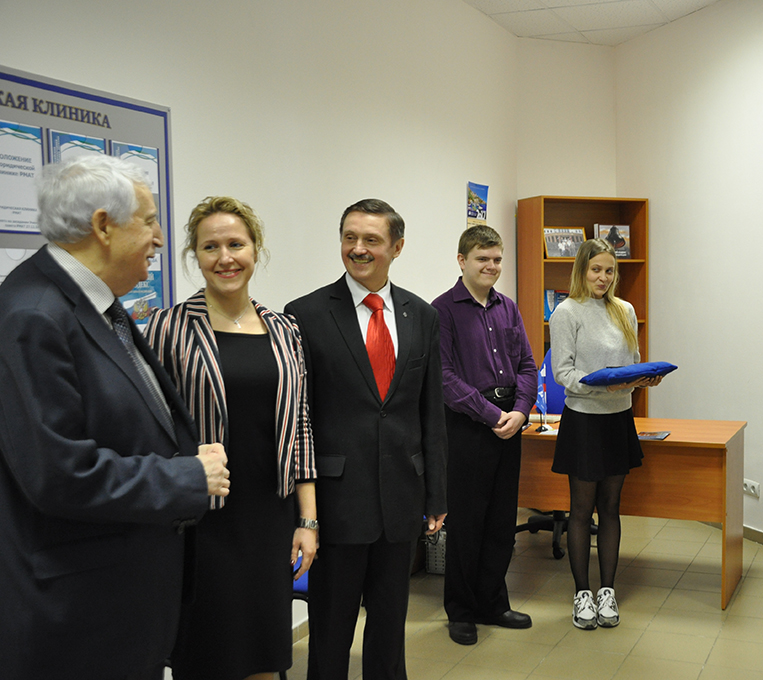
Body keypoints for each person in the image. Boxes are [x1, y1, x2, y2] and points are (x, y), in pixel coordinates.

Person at [0, 155, 229, 680]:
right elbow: (58, 474)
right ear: (103, 227)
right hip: (77, 615)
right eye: (149, 221)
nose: (159, 239)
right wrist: (186, 476)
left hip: (120, 598)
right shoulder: (34, 315)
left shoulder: (94, 301)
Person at [144, 196, 317, 680]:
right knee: (206, 657)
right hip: (202, 522)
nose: (225, 258)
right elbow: (150, 424)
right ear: (194, 256)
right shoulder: (168, 328)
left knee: (265, 656)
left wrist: (308, 519)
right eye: (210, 247)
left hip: (270, 518)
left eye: (236, 244)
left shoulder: (285, 330)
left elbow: (301, 424)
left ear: (255, 249)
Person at [285, 199, 447, 680]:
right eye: (349, 238)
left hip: (401, 499)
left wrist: (437, 494)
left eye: (371, 240)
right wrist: (304, 512)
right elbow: (298, 418)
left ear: (397, 247)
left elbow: (430, 411)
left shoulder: (422, 316)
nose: (358, 248)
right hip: (337, 504)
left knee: (390, 632)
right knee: (331, 635)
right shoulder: (306, 314)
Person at [431, 225, 538, 646]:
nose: (491, 266)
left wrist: (520, 411)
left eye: (496, 259)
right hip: (467, 427)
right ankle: (461, 611)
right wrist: (492, 414)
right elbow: (444, 377)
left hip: (509, 424)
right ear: (462, 261)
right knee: (467, 524)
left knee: (500, 521)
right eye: (482, 259)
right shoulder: (442, 311)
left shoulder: (507, 308)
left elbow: (527, 365)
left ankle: (493, 603)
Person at [549, 238, 662, 630]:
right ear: (582, 270)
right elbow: (562, 373)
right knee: (582, 510)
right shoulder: (566, 312)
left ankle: (607, 591)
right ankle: (582, 593)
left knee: (611, 508)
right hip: (584, 421)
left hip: (618, 419)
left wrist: (644, 379)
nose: (603, 277)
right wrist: (603, 386)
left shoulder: (624, 310)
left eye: (609, 270)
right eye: (596, 269)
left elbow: (631, 364)